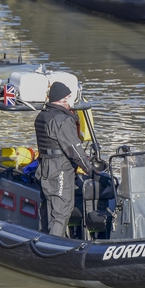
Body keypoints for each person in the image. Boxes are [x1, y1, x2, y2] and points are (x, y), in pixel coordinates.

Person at [35, 82, 94, 237]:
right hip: (59, 168)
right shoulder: (62, 120)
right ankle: (54, 245)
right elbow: (74, 150)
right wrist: (91, 170)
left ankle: (42, 240)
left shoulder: (42, 116)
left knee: (47, 208)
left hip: (44, 166)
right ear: (63, 98)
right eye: (68, 96)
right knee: (61, 211)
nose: (70, 100)